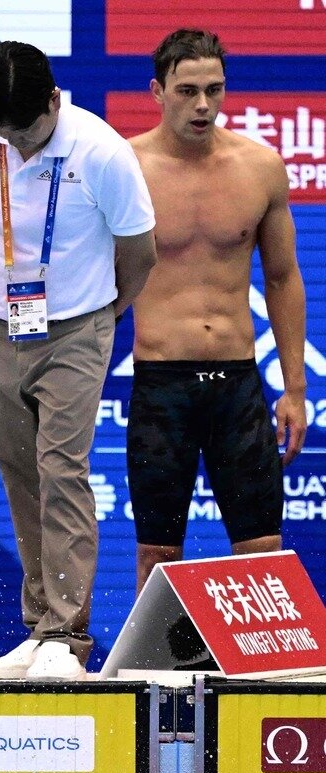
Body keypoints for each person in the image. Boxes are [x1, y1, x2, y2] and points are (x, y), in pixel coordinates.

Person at [0, 41, 158, 682]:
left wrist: (101, 316)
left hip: (78, 327)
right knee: (19, 472)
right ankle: (38, 630)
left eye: (30, 136)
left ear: (55, 101)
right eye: (3, 136)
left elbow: (140, 252)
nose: (20, 149)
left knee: (61, 468)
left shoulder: (102, 153)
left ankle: (68, 633)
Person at [127, 29, 307, 594]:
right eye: (187, 91)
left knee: (261, 548)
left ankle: (261, 679)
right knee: (158, 553)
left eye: (214, 89)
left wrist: (296, 389)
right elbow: (88, 279)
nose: (203, 105)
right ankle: (154, 679)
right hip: (162, 383)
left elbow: (282, 277)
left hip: (236, 383)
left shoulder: (259, 167)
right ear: (158, 91)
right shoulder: (126, 168)